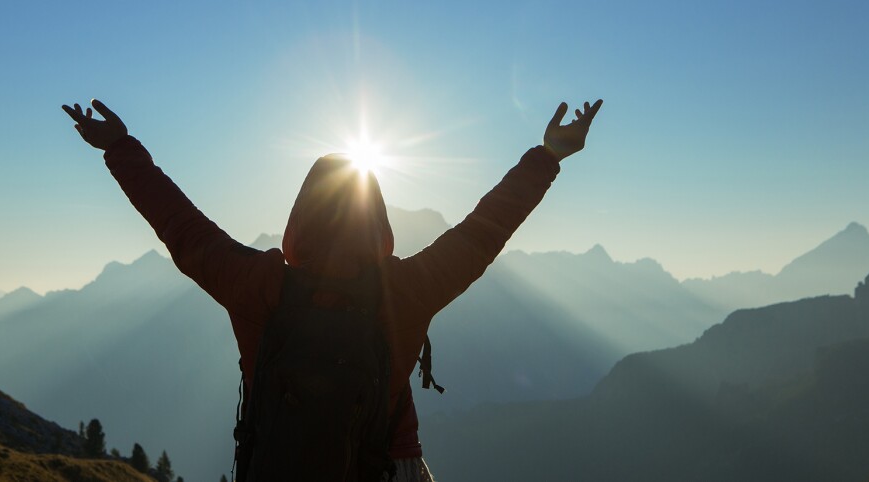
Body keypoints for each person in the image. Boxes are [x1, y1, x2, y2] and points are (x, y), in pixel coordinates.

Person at [62, 96, 602, 481]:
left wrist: (119, 148)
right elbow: (484, 231)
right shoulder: (406, 290)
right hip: (391, 467)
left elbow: (182, 228)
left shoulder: (261, 286)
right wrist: (548, 155)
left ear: (301, 217)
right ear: (379, 221)